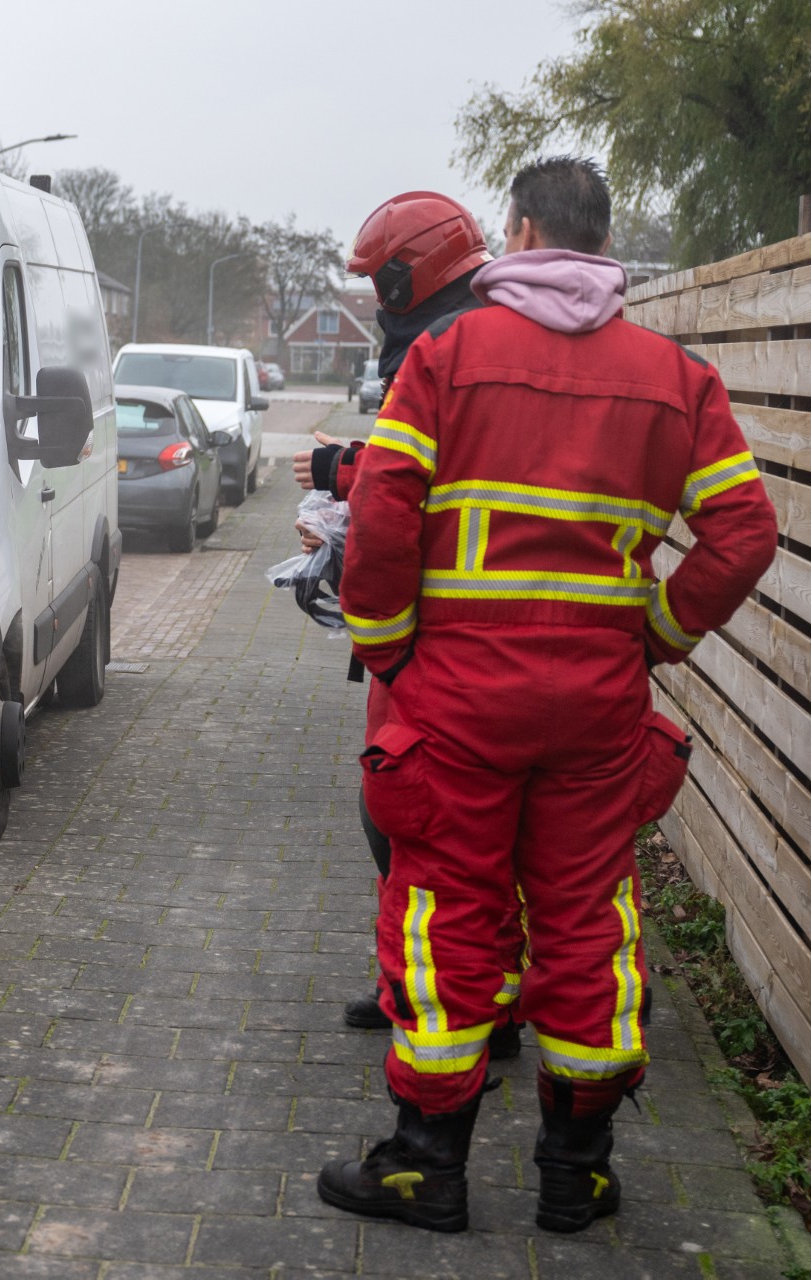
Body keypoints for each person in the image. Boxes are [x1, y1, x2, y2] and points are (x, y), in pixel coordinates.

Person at [317, 157, 776, 1234]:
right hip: (600, 708)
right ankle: (579, 1170)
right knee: (588, 918)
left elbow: (384, 508)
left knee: (446, 909)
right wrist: (656, 633)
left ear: (518, 232)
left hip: (460, 701)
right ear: (603, 240)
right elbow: (745, 532)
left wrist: (390, 651)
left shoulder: (444, 355)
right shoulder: (677, 376)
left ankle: (426, 1163)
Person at [288, 193, 525, 1052]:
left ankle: (463, 1011)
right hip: (449, 631)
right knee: (406, 820)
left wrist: (339, 488)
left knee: (414, 822)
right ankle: (427, 989)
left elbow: (424, 480)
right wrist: (343, 470)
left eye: (378, 277)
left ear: (406, 273)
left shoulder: (446, 343)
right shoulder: (453, 332)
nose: (375, 294)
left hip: (439, 638)